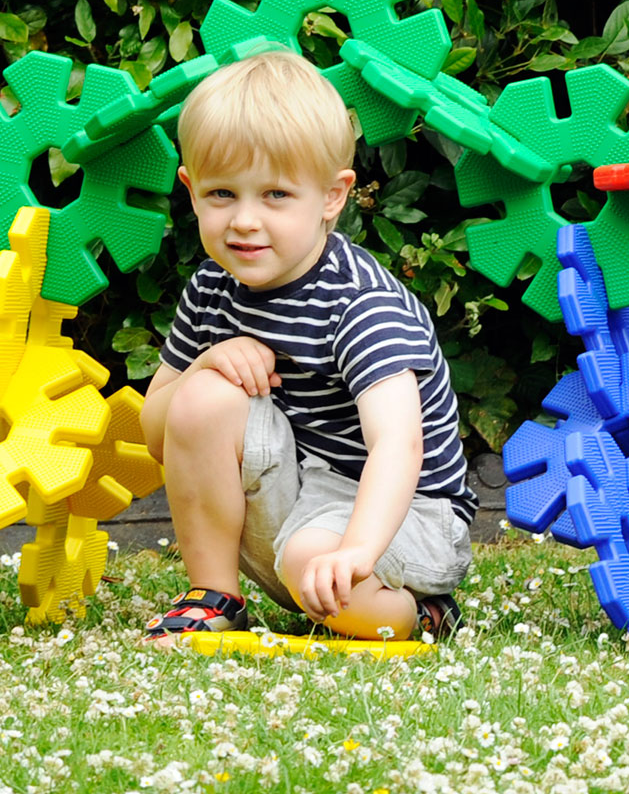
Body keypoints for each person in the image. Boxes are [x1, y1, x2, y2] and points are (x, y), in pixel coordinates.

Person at [139, 48, 477, 646]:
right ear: (190, 191)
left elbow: (397, 446)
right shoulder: (213, 288)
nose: (244, 221)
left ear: (331, 197)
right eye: (222, 194)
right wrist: (204, 365)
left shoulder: (360, 303)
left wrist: (356, 553)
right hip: (299, 497)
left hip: (403, 512)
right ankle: (214, 594)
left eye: (274, 195)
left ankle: (420, 611)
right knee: (205, 394)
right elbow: (158, 433)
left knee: (313, 562)